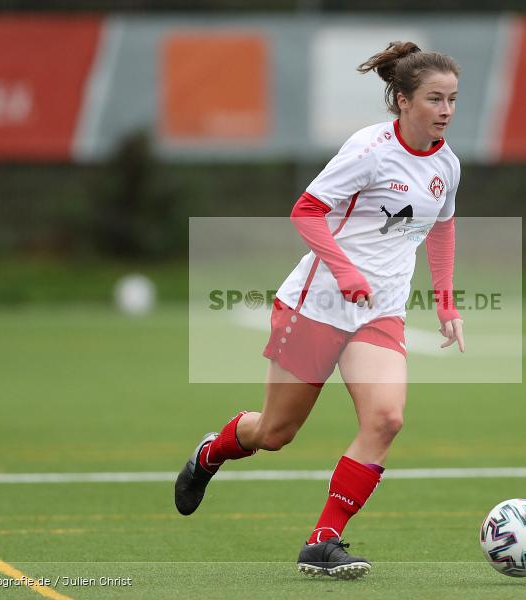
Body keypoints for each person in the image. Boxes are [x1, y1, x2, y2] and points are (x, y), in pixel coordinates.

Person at [174, 41, 464, 579]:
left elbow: (442, 228)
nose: (446, 111)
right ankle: (213, 452)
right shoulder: (368, 149)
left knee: (387, 418)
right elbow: (306, 212)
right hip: (317, 304)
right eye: (434, 99)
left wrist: (446, 301)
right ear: (402, 100)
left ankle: (323, 540)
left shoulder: (446, 165)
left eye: (452, 100)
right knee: (275, 435)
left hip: (380, 315)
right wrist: (346, 271)